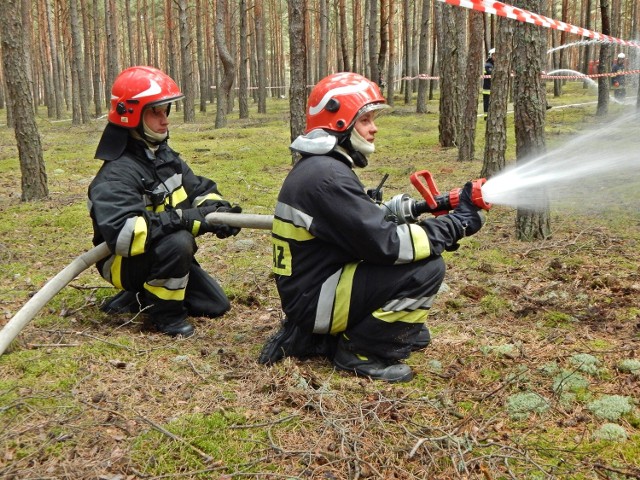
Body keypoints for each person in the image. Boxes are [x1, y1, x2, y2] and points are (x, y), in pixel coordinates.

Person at [258, 72, 485, 382]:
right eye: (365, 120)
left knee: (415, 279)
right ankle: (362, 351)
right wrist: (455, 224)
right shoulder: (328, 177)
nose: (374, 128)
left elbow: (362, 225)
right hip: (315, 303)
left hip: (311, 294)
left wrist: (411, 211)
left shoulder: (319, 169)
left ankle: (361, 332)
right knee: (426, 268)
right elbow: (390, 244)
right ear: (341, 123)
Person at [88, 66, 242, 337]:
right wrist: (184, 219)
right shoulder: (115, 174)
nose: (165, 120)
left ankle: (139, 297)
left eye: (166, 110)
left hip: (159, 254)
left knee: (215, 304)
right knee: (179, 241)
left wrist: (220, 212)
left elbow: (197, 189)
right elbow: (126, 236)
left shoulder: (162, 156)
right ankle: (165, 317)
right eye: (155, 112)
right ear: (132, 116)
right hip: (123, 262)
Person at [482, 48, 495, 120]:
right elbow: (491, 75)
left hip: (493, 88)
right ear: (490, 56)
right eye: (494, 55)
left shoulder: (493, 64)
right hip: (487, 88)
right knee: (487, 103)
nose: (495, 57)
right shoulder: (488, 65)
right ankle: (486, 117)